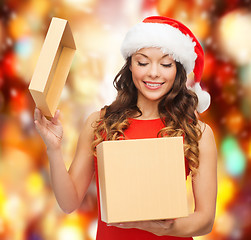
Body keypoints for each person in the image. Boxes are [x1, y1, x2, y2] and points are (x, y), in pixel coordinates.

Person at [34, 16, 217, 239]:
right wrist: (53, 149)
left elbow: (206, 219)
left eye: (166, 64)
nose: (154, 73)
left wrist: (163, 229)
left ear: (178, 70)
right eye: (143, 62)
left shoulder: (197, 132)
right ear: (130, 65)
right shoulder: (100, 123)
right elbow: (69, 202)